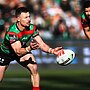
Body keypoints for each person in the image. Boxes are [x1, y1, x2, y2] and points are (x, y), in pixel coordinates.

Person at [0, 7, 63, 90]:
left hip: (22, 50)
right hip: (5, 54)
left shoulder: (32, 28)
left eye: (29, 16)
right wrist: (29, 48)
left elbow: (41, 44)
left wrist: (52, 50)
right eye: (26, 17)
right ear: (18, 19)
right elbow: (18, 51)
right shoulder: (13, 32)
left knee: (34, 67)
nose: (29, 19)